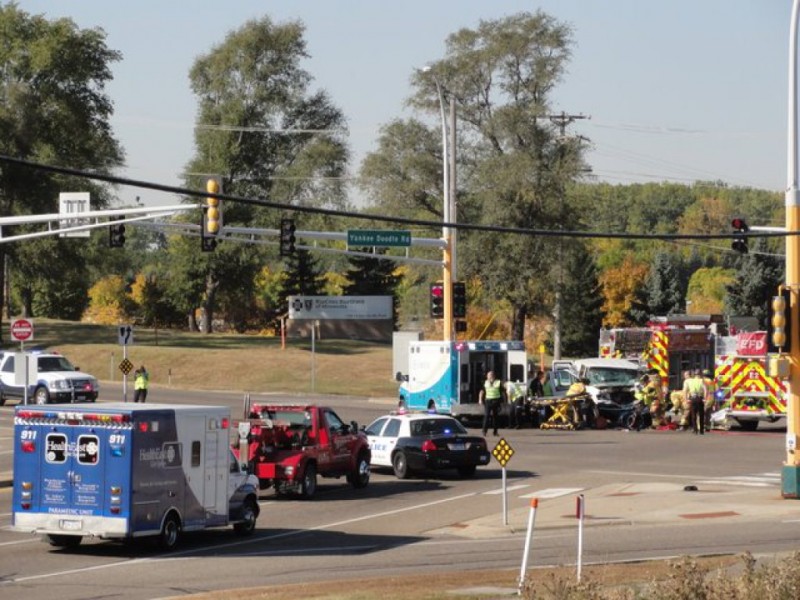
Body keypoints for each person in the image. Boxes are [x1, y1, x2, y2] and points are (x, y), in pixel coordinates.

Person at [479, 370, 505, 436]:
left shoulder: (498, 382)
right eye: (488, 375)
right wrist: (480, 399)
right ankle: (484, 431)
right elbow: (482, 391)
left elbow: (503, 391)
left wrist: (505, 401)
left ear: (493, 376)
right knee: (486, 416)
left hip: (496, 401)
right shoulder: (485, 382)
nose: (488, 376)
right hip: (488, 401)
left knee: (495, 417)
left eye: (489, 375)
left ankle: (495, 432)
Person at [683, 369, 708, 435]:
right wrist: (705, 399)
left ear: (694, 375)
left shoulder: (689, 381)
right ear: (701, 374)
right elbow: (705, 390)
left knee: (693, 415)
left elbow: (685, 391)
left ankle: (695, 430)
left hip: (693, 399)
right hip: (700, 399)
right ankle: (701, 430)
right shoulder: (701, 381)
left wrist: (686, 400)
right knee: (701, 415)